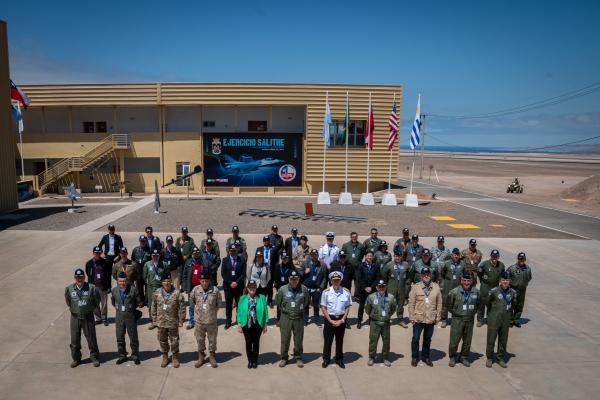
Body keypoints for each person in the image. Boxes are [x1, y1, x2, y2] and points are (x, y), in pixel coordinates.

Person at [65, 268, 101, 368]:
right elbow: (68, 302)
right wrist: (76, 309)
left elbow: (96, 300)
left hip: (87, 316)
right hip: (75, 317)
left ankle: (94, 357)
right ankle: (76, 358)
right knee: (75, 340)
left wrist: (89, 308)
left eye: (81, 277)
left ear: (84, 277)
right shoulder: (69, 289)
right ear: (74, 278)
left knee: (91, 338)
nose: (79, 279)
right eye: (77, 277)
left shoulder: (91, 288)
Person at [408, 267, 442, 367]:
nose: (426, 276)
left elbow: (439, 303)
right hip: (418, 318)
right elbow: (411, 303)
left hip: (430, 318)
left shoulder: (436, 287)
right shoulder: (415, 287)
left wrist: (438, 317)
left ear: (430, 275)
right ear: (421, 276)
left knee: (427, 339)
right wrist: (411, 317)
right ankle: (415, 357)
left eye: (428, 274)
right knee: (415, 338)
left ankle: (426, 357)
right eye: (424, 274)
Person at [151, 273, 186, 368]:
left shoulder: (177, 293)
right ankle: (165, 356)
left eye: (168, 281)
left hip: (173, 322)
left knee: (174, 340)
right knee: (162, 340)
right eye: (164, 281)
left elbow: (182, 307)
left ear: (171, 281)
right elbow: (153, 306)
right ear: (161, 282)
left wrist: (181, 320)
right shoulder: (157, 292)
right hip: (161, 322)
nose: (166, 283)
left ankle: (175, 357)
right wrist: (154, 320)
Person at [275, 270, 309, 367]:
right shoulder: (282, 289)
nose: (294, 281)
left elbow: (306, 301)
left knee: (298, 339)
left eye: (296, 279)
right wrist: (286, 310)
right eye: (292, 279)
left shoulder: (304, 289)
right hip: (286, 317)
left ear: (298, 279)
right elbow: (278, 302)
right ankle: (284, 358)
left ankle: (298, 357)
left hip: (298, 317)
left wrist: (298, 310)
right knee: (285, 339)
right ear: (288, 279)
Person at [447, 272, 480, 367]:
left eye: (468, 281)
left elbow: (478, 304)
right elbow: (449, 305)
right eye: (464, 280)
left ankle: (464, 357)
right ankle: (453, 356)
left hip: (469, 319)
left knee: (467, 341)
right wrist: (457, 312)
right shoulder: (454, 292)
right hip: (457, 319)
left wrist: (472, 312)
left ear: (472, 281)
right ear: (461, 281)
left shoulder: (476, 292)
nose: (466, 283)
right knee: (454, 340)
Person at [190, 270, 221, 368]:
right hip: (199, 321)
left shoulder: (215, 291)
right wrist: (198, 312)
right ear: (200, 281)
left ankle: (212, 356)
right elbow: (192, 302)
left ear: (209, 281)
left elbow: (218, 304)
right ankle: (201, 356)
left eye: (206, 281)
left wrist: (211, 313)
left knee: (212, 339)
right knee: (200, 339)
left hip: (211, 321)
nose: (204, 283)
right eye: (202, 281)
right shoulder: (195, 290)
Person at [320, 271, 352, 368]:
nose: (336, 282)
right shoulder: (326, 292)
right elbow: (323, 307)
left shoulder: (346, 292)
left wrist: (342, 320)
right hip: (329, 319)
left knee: (339, 340)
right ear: (331, 281)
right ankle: (326, 359)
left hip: (341, 319)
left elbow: (347, 307)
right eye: (334, 280)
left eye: (338, 280)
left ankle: (339, 359)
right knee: (328, 341)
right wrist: (330, 320)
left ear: (340, 280)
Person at [485, 271, 516, 368]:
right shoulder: (494, 291)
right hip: (494, 318)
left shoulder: (512, 292)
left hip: (505, 319)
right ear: (500, 281)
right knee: (491, 339)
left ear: (509, 281)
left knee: (503, 339)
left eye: (506, 280)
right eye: (503, 280)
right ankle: (489, 358)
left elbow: (513, 305)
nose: (505, 282)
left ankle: (500, 358)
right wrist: (491, 315)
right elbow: (487, 303)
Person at [110, 272, 142, 365]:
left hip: (130, 316)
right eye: (120, 281)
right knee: (120, 337)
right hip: (119, 316)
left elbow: (138, 301)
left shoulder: (133, 290)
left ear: (126, 280)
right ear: (118, 281)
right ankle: (122, 356)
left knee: (133, 337)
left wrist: (130, 309)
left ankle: (135, 355)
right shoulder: (114, 290)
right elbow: (113, 302)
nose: (122, 283)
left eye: (124, 281)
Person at [237, 280, 269, 369]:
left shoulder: (261, 298)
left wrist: (265, 323)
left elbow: (265, 311)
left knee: (256, 342)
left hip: (257, 323)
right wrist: (239, 323)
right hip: (246, 323)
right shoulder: (242, 298)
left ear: (256, 288)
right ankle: (249, 360)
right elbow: (239, 311)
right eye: (250, 287)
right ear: (247, 288)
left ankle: (255, 361)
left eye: (254, 287)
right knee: (248, 342)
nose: (252, 288)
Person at [365, 280, 397, 367]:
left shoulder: (391, 297)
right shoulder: (371, 297)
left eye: (383, 286)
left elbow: (393, 308)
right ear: (376, 287)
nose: (381, 288)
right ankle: (371, 357)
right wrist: (373, 316)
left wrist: (387, 315)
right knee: (373, 340)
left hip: (386, 323)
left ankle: (385, 357)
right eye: (380, 286)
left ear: (386, 287)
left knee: (386, 341)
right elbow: (367, 309)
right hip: (375, 322)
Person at [477, 249, 506, 327]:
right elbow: (479, 273)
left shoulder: (501, 265)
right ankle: (480, 320)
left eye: (496, 256)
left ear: (498, 257)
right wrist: (483, 281)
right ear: (491, 256)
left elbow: (503, 276)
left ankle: (490, 318)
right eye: (493, 256)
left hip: (495, 287)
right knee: (482, 304)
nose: (494, 258)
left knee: (492, 304)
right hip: (485, 286)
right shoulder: (484, 264)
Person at [381, 251, 410, 328]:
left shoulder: (406, 264)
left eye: (399, 256)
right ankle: (386, 319)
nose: (398, 258)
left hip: (401, 289)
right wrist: (385, 287)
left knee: (400, 305)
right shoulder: (389, 265)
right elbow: (383, 275)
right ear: (394, 256)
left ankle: (400, 319)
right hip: (391, 288)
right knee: (388, 304)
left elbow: (408, 276)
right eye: (396, 256)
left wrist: (407, 285)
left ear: (401, 256)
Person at [439, 248, 466, 328]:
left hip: (458, 286)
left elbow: (465, 275)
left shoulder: (463, 264)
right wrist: (443, 283)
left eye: (457, 255)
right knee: (445, 303)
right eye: (455, 254)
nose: (456, 256)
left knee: (457, 303)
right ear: (452, 255)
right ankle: (444, 320)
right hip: (448, 286)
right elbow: (442, 273)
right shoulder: (447, 263)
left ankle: (455, 319)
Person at [221, 245, 246, 329]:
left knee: (239, 304)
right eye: (231, 251)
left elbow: (243, 274)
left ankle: (239, 320)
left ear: (237, 251)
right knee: (228, 304)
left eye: (234, 251)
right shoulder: (225, 260)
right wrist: (230, 282)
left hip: (238, 286)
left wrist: (237, 283)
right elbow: (223, 274)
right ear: (229, 251)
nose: (233, 252)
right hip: (228, 286)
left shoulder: (242, 260)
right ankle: (228, 321)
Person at [85, 246, 111, 326]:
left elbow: (108, 275)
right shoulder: (89, 263)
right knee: (94, 303)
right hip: (93, 286)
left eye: (99, 253)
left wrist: (109, 286)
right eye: (96, 253)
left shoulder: (105, 262)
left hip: (103, 286)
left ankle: (104, 318)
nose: (97, 254)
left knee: (104, 303)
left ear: (101, 253)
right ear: (93, 253)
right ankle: (98, 318)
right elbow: (87, 273)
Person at [143, 249, 169, 329]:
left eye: (157, 256)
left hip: (160, 288)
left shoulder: (164, 264)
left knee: (161, 304)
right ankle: (153, 321)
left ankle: (161, 321)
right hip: (151, 288)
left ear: (159, 256)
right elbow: (144, 276)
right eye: (154, 256)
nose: (155, 257)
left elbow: (166, 276)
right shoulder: (147, 264)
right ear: (151, 256)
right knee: (151, 305)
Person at [301, 249, 327, 325]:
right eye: (312, 255)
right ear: (310, 255)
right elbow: (299, 274)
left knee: (316, 305)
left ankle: (316, 318)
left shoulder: (322, 265)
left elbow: (325, 278)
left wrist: (321, 288)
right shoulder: (305, 263)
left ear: (318, 256)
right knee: (306, 305)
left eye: (315, 255)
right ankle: (305, 319)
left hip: (316, 289)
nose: (313, 256)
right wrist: (304, 272)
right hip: (306, 288)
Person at [507, 252, 532, 328]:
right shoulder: (512, 268)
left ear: (525, 259)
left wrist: (524, 284)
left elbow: (529, 277)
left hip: (522, 290)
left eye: (523, 259)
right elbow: (505, 277)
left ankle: (516, 320)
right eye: (520, 259)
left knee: (520, 306)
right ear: (517, 259)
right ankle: (510, 321)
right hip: (513, 289)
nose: (521, 260)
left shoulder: (528, 268)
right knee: (512, 305)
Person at [357, 250, 381, 329]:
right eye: (368, 256)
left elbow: (377, 278)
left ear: (373, 257)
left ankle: (371, 319)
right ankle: (359, 321)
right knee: (361, 306)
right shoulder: (361, 265)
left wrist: (372, 287)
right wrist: (365, 287)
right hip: (363, 290)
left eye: (371, 256)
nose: (369, 257)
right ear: (365, 256)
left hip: (372, 290)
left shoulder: (376, 266)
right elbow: (359, 278)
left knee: (372, 305)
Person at [182, 247, 204, 329]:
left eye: (197, 253)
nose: (196, 255)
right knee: (191, 306)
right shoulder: (188, 262)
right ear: (192, 254)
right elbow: (184, 275)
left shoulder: (203, 262)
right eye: (194, 253)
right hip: (191, 288)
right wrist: (185, 287)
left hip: (200, 288)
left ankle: (200, 321)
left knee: (201, 305)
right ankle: (191, 321)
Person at [341, 231, 365, 298]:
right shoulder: (345, 245)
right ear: (350, 237)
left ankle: (356, 296)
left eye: (355, 237)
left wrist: (357, 261)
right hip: (348, 267)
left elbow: (362, 254)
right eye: (353, 237)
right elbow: (343, 255)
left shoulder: (361, 245)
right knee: (347, 282)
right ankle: (346, 295)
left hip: (357, 267)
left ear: (357, 237)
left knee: (357, 282)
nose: (354, 238)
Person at [132, 235, 151, 304]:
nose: (142, 242)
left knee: (147, 287)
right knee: (139, 287)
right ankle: (141, 301)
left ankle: (147, 301)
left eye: (144, 241)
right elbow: (133, 260)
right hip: (138, 272)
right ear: (139, 241)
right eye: (141, 241)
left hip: (147, 272)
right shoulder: (135, 250)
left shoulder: (149, 250)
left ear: (146, 242)